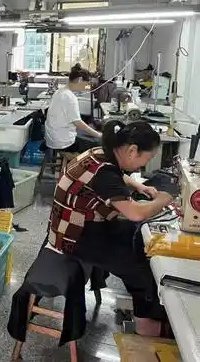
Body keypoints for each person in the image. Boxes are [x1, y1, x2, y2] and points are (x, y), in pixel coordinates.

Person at [47, 120, 173, 336]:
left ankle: (147, 306)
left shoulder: (101, 153)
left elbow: (118, 176)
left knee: (137, 238)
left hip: (69, 226)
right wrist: (164, 199)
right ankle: (145, 323)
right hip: (75, 238)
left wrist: (138, 185)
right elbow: (135, 213)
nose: (144, 165)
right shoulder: (105, 174)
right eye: (147, 158)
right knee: (139, 266)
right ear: (132, 151)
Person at [44, 64, 101, 152]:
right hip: (63, 142)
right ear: (80, 80)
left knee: (86, 132)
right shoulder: (70, 97)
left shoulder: (59, 91)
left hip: (52, 138)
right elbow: (78, 123)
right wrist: (98, 134)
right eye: (86, 84)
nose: (86, 87)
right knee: (99, 143)